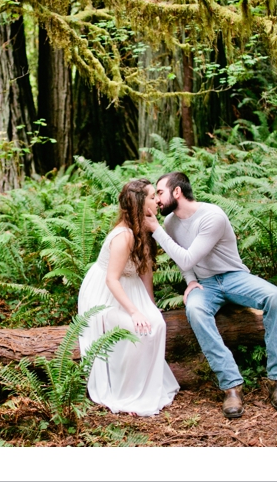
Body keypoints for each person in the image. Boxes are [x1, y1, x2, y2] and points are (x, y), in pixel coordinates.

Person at [144, 171, 277, 419]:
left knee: (275, 296)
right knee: (195, 309)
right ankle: (232, 385)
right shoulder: (169, 224)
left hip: (234, 277)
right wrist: (190, 281)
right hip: (206, 285)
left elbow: (188, 256)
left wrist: (157, 230)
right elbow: (184, 260)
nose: (157, 200)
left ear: (177, 192)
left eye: (160, 192)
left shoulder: (212, 216)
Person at [78, 178, 180, 416]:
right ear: (141, 203)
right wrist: (134, 312)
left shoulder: (146, 227)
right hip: (104, 294)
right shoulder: (123, 236)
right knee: (136, 329)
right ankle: (127, 391)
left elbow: (145, 270)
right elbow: (111, 279)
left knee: (157, 323)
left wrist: (150, 305)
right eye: (153, 197)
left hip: (130, 286)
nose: (157, 201)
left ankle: (145, 385)